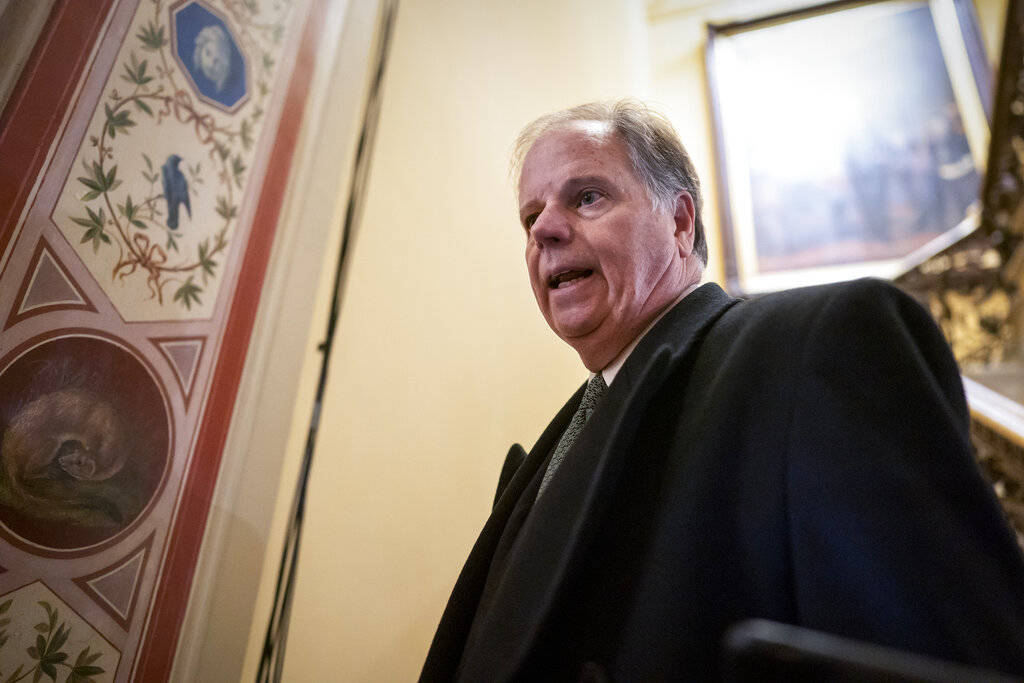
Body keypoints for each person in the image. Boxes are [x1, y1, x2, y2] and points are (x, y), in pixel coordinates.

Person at [420, 100, 1024, 681]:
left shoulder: (820, 345)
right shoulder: (563, 437)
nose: (545, 230)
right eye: (530, 218)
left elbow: (935, 654)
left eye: (586, 197)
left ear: (681, 223)